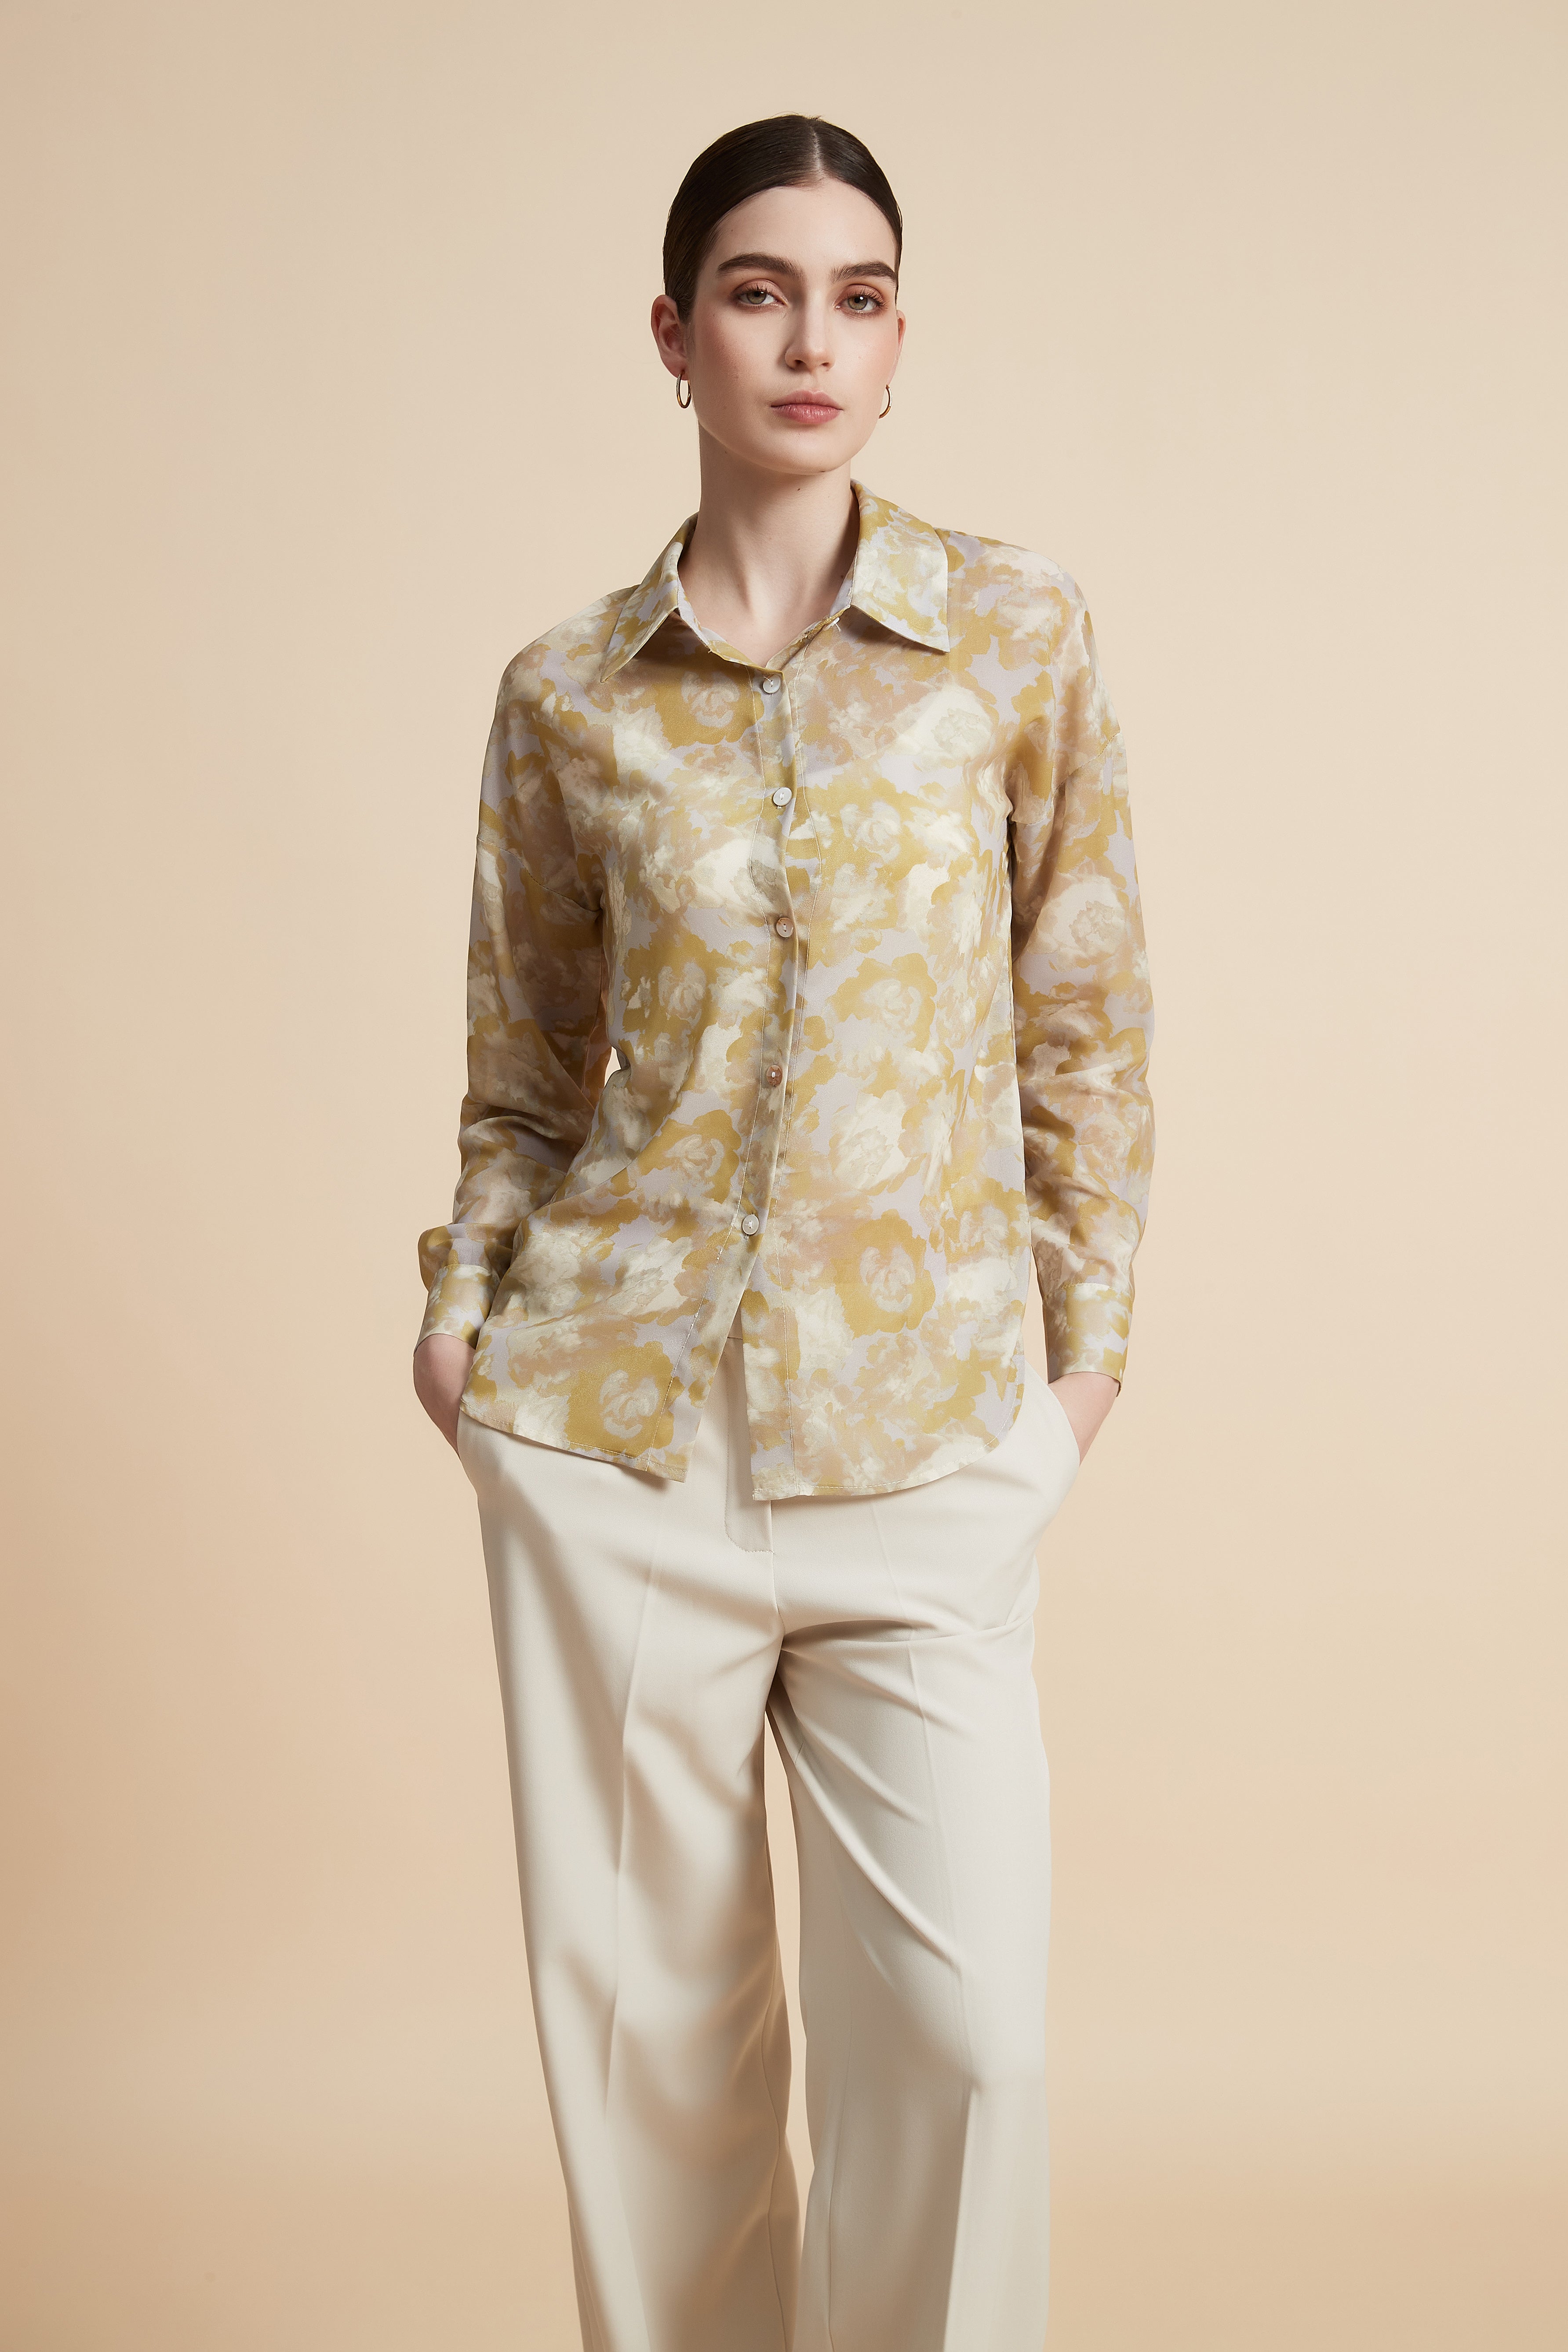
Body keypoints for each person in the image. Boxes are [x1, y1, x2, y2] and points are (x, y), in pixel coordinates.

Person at [413, 112, 1153, 2352]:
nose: (809, 340)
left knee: (968, 2044)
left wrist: (1078, 1368)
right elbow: (523, 1071)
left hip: (928, 1436)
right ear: (676, 334)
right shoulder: (565, 696)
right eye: (758, 292)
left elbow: (1084, 1022)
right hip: (615, 1437)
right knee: (654, 2080)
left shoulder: (1010, 640)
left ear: (900, 341)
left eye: (855, 297)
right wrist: (468, 1323)